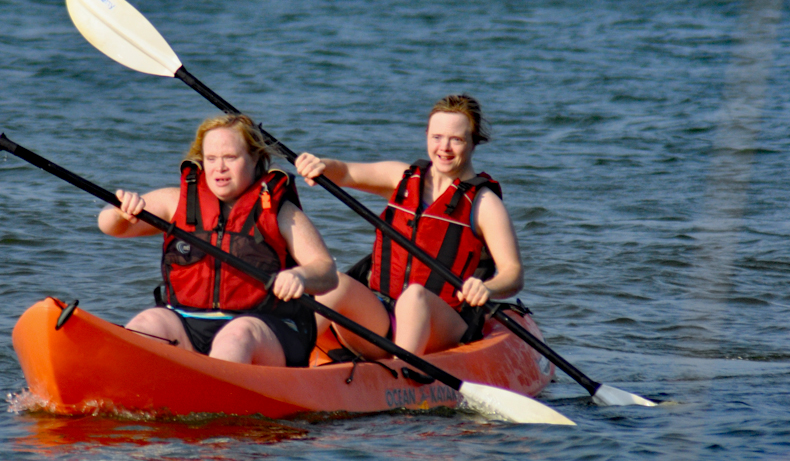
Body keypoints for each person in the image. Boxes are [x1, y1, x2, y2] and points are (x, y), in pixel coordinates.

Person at [99, 114, 338, 367]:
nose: (219, 168)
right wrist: (119, 212)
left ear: (255, 158)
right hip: (187, 324)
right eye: (211, 159)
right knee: (146, 323)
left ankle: (211, 391)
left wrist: (300, 276)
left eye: (230, 158)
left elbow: (326, 272)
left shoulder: (281, 213)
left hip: (263, 330)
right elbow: (111, 227)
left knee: (237, 336)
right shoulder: (176, 201)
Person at [294, 94, 523, 357]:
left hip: (442, 325)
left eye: (456, 139)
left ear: (473, 143)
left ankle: (401, 377)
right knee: (336, 284)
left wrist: (487, 288)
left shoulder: (485, 204)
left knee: (415, 297)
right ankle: (284, 358)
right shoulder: (401, 177)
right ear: (427, 135)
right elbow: (344, 172)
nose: (444, 148)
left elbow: (513, 273)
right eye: (437, 137)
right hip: (381, 315)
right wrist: (321, 165)